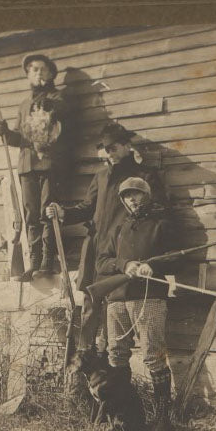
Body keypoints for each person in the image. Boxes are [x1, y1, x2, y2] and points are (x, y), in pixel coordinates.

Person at [45, 120, 165, 369]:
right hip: (96, 249)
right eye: (105, 149)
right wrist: (63, 212)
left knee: (116, 307)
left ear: (126, 146)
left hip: (123, 251)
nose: (109, 153)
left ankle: (111, 367)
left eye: (113, 148)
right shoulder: (100, 177)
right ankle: (85, 364)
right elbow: (86, 209)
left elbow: (158, 212)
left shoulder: (144, 176)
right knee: (90, 304)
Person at [94, 177, 176, 431]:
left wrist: (155, 266)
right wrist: (125, 264)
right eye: (127, 196)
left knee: (153, 356)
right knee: (116, 356)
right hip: (117, 298)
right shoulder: (118, 227)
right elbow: (102, 261)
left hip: (149, 297)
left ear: (147, 196)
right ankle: (124, 418)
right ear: (122, 200)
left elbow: (179, 255)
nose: (132, 200)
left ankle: (162, 420)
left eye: (137, 195)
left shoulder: (162, 223)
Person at [0, 53, 68, 276]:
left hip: (48, 164)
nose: (38, 73)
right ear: (28, 75)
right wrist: (5, 133)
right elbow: (20, 138)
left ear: (51, 73)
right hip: (27, 165)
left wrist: (49, 103)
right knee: (30, 214)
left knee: (48, 211)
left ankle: (48, 260)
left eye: (43, 69)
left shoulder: (58, 99)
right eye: (34, 70)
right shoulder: (24, 105)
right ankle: (34, 262)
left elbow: (63, 118)